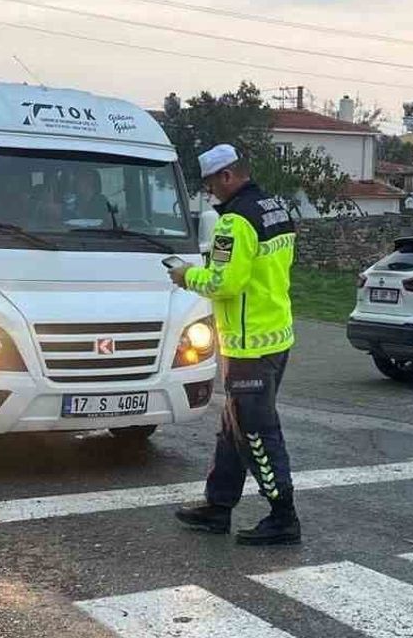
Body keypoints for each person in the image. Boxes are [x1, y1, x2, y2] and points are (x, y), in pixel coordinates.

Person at [170, 144, 300, 546]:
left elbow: (224, 283)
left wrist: (186, 276)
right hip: (276, 335)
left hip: (248, 345)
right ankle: (218, 506)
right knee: (233, 428)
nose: (210, 194)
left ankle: (283, 517)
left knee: (257, 432)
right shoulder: (275, 209)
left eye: (211, 185)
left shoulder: (234, 222)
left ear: (227, 176)